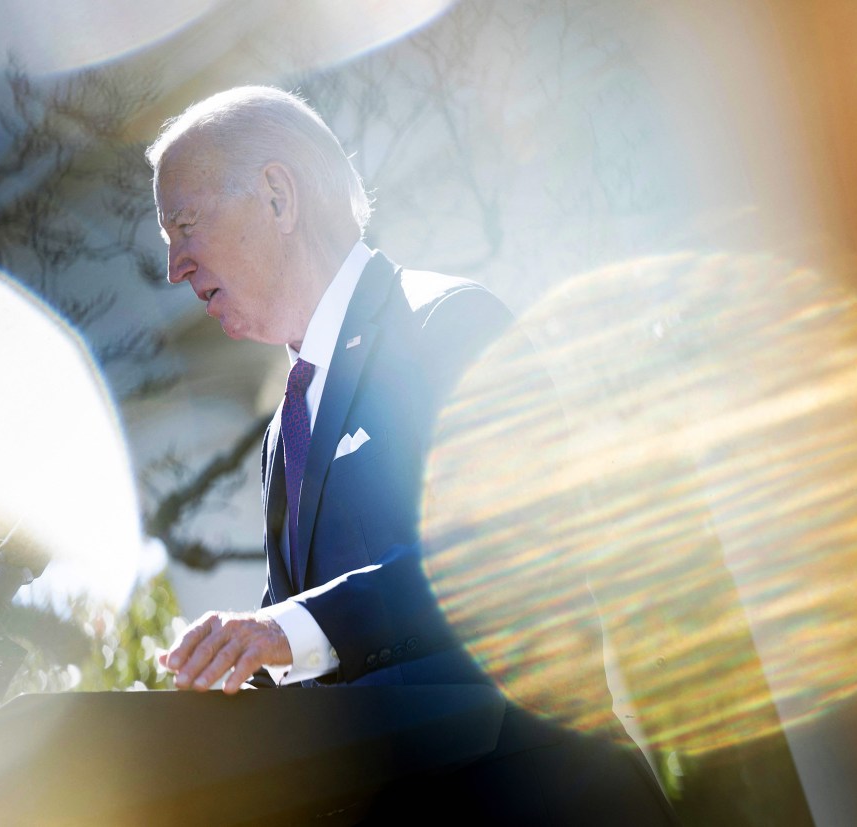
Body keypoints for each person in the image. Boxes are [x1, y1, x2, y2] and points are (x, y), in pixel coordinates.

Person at [149, 86, 675, 824]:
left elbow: (497, 547)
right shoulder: (283, 434)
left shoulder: (449, 322)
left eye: (184, 223)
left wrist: (283, 631)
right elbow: (308, 648)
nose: (174, 265)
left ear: (277, 196)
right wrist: (219, 679)